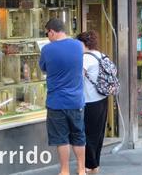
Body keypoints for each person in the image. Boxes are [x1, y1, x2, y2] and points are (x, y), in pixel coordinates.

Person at [39, 18, 86, 175]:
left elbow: (43, 68)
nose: (48, 37)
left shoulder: (47, 49)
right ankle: (81, 169)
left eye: (47, 34)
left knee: (61, 138)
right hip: (76, 101)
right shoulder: (79, 46)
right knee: (79, 136)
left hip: (56, 102)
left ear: (52, 31)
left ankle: (65, 171)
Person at [76, 30, 108, 174]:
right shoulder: (101, 55)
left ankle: (91, 166)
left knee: (87, 135)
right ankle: (94, 164)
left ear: (84, 44)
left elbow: (77, 78)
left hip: (90, 102)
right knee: (98, 134)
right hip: (102, 99)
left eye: (79, 44)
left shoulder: (85, 58)